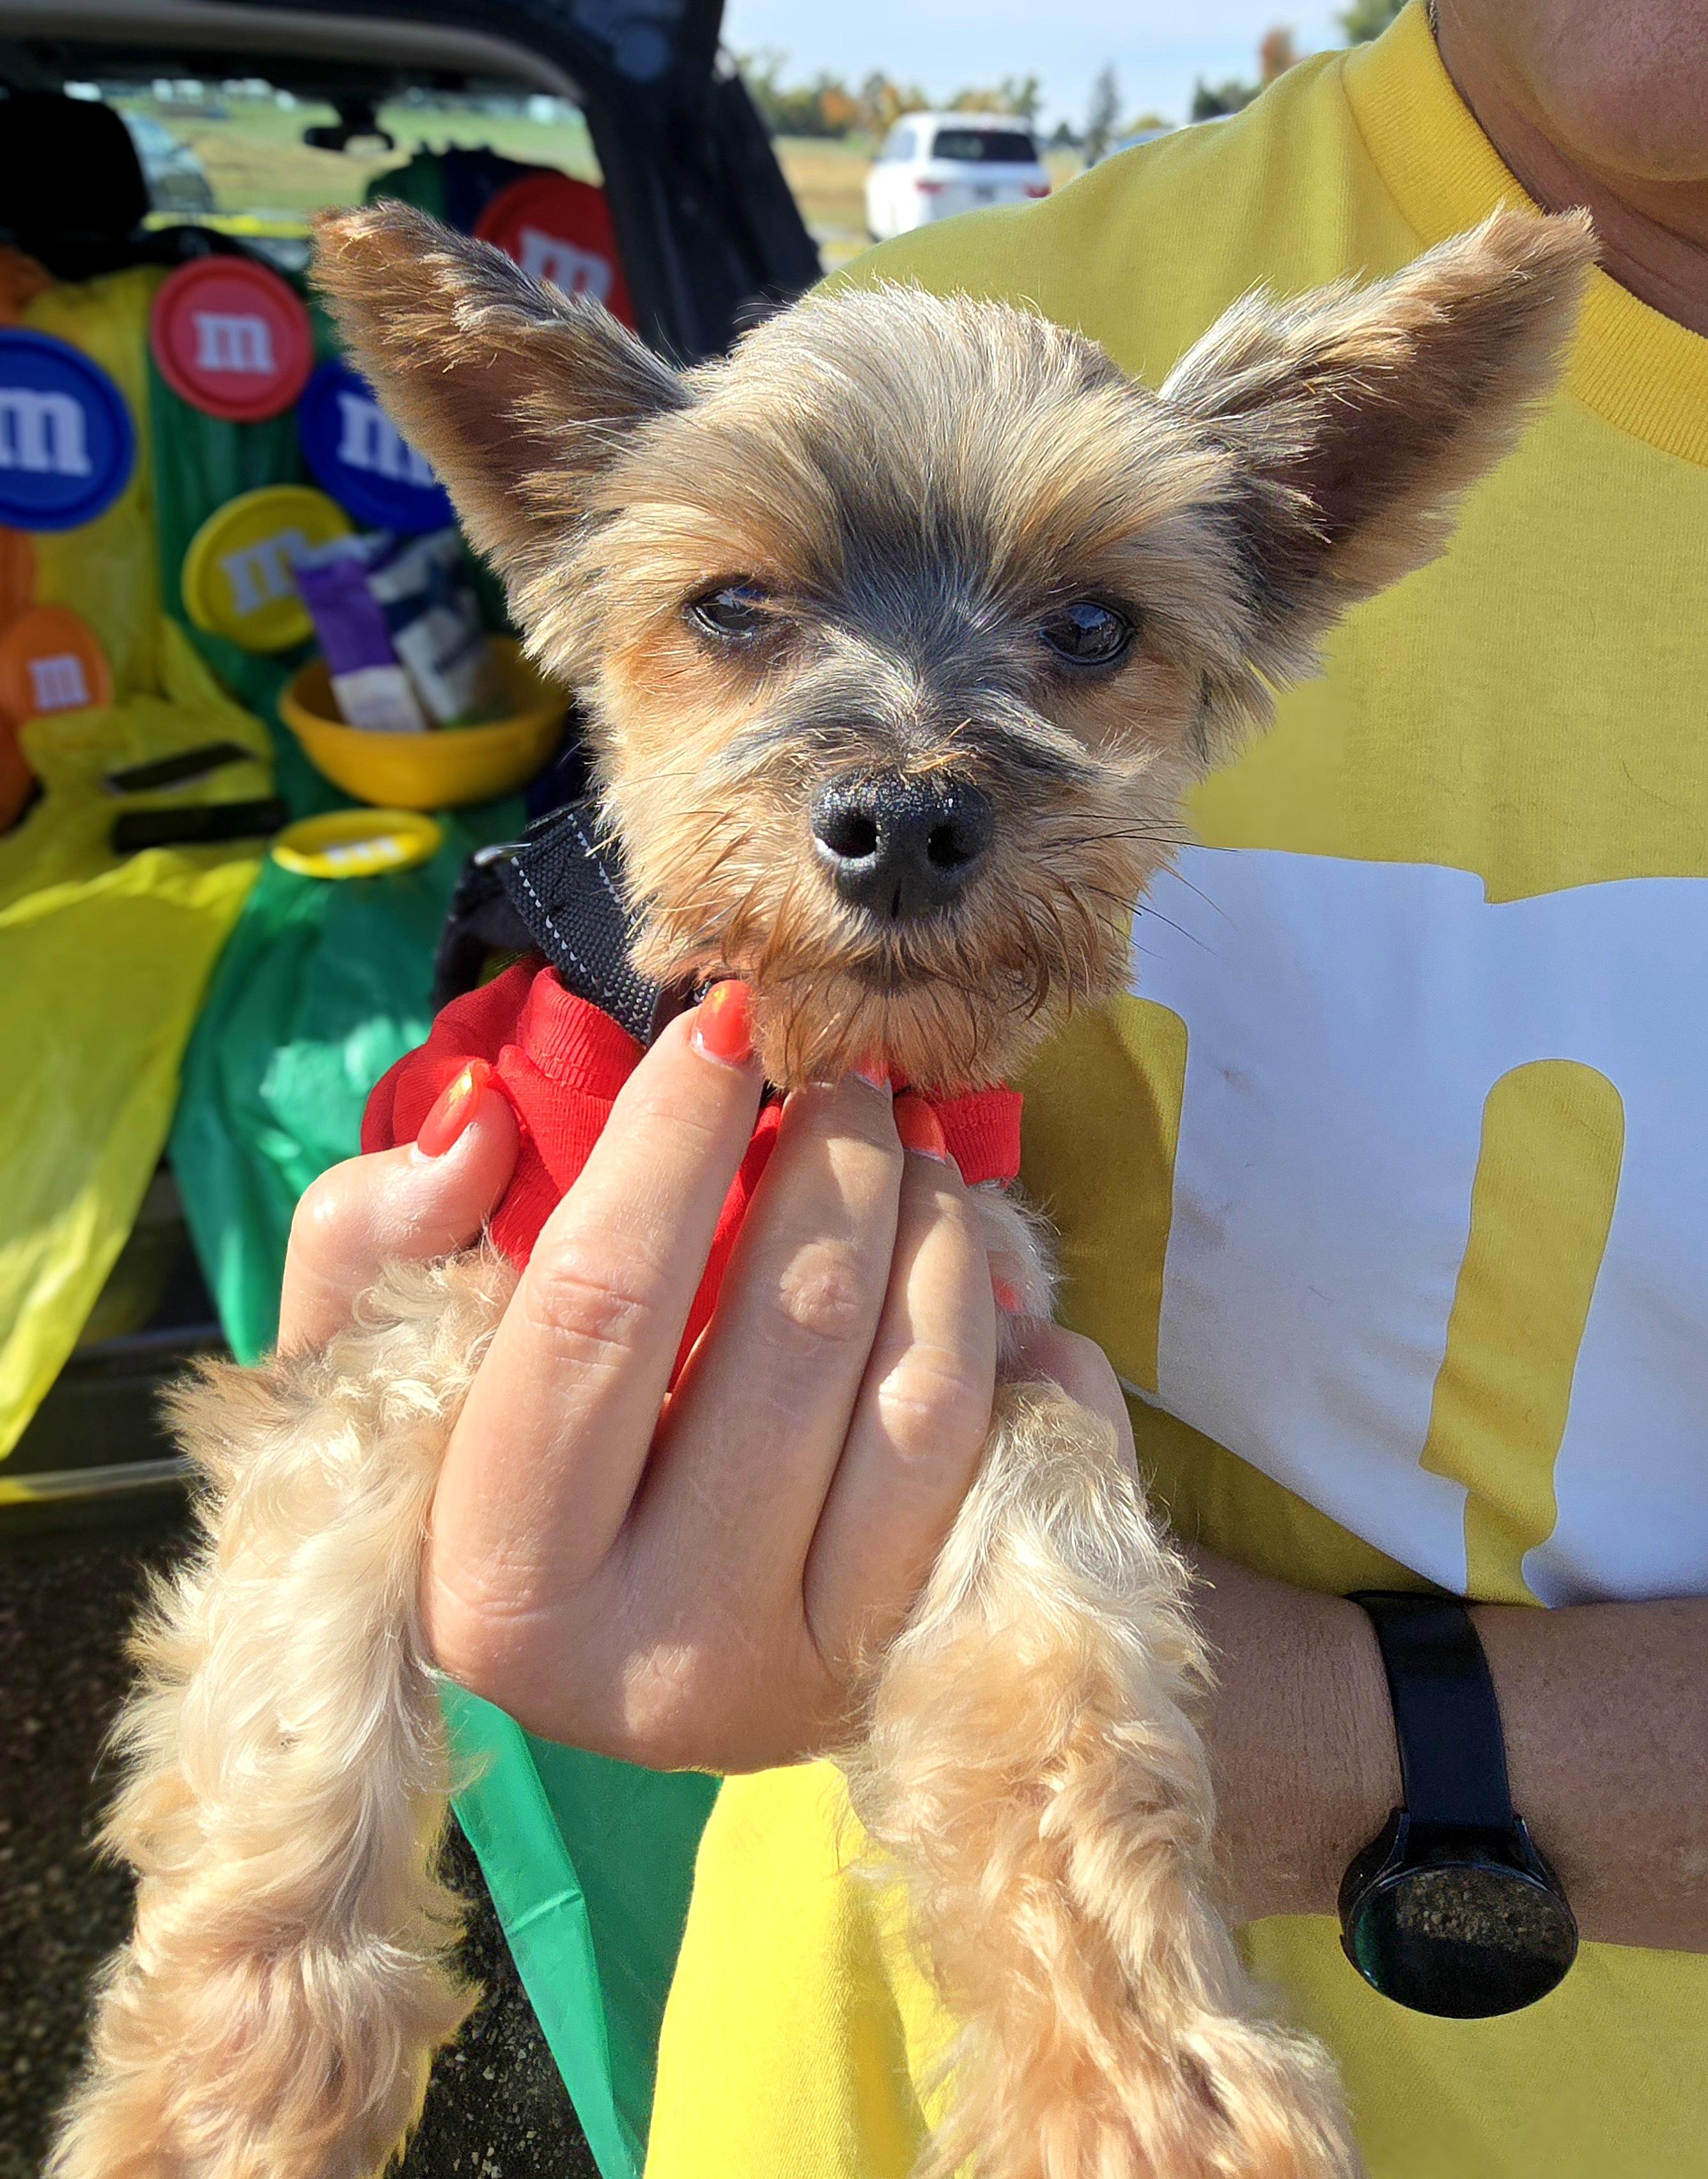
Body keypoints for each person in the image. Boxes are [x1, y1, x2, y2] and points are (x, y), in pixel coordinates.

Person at [281, 4, 1708, 2173]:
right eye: (745, 613)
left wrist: (1337, 1738)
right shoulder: (896, 348)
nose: (907, 781)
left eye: (1083, 639)